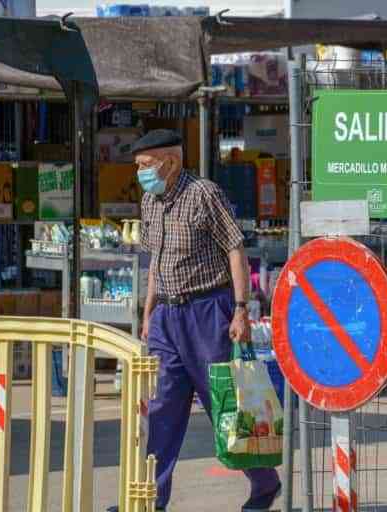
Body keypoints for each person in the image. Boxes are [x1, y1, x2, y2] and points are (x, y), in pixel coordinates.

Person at [123, 129, 281, 511]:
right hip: (166, 316)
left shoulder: (204, 194)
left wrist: (241, 309)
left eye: (145, 165)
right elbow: (156, 261)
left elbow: (235, 249)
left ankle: (265, 484)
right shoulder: (150, 201)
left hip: (208, 312)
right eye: (138, 166)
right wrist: (149, 311)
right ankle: (152, 499)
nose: (141, 173)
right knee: (162, 407)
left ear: (170, 162)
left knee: (225, 403)